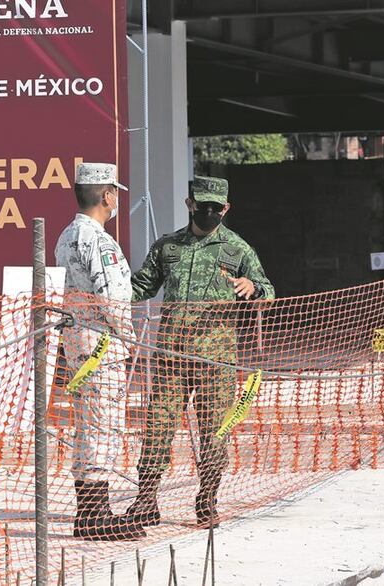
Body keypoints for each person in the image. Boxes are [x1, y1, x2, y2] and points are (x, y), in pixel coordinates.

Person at [127, 176, 274, 528]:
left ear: (225, 209)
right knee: (157, 429)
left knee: (214, 432)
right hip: (171, 357)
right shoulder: (168, 247)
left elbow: (268, 292)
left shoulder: (238, 250)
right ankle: (146, 501)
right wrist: (97, 290)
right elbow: (140, 287)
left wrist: (253, 287)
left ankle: (207, 500)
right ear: (189, 203)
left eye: (216, 208)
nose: (208, 212)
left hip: (216, 360)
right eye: (202, 205)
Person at [54, 162, 145, 541]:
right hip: (103, 344)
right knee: (103, 424)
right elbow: (113, 300)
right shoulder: (100, 241)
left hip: (79, 341)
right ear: (106, 195)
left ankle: (91, 511)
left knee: (89, 424)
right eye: (115, 193)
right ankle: (94, 515)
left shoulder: (66, 236)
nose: (116, 200)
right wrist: (132, 340)